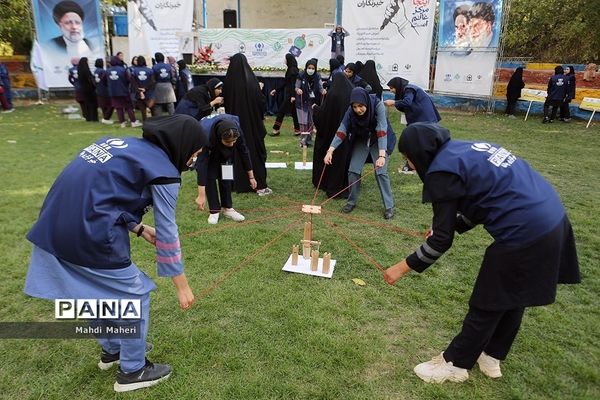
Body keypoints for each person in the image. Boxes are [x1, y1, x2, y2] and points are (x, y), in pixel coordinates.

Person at [384, 123, 580, 384]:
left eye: (409, 159)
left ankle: (455, 364)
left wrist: (400, 268)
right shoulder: (465, 149)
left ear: (418, 154)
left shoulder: (441, 171)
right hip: (553, 218)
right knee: (513, 293)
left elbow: (441, 241)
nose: (411, 165)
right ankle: (491, 354)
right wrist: (450, 225)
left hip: (525, 230)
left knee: (487, 300)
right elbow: (480, 203)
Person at [24, 114, 205, 392]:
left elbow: (103, 191)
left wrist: (139, 228)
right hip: (90, 234)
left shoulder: (116, 143)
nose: (193, 160)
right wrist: (182, 285)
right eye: (195, 153)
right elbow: (169, 231)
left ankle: (113, 349)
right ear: (183, 145)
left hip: (53, 224)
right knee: (135, 294)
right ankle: (133, 371)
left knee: (91, 291)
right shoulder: (165, 172)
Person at [324, 87, 396, 219]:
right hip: (362, 138)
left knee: (381, 172)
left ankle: (389, 206)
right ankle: (351, 202)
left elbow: (381, 130)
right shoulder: (350, 111)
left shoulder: (377, 105)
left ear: (366, 102)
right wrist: (330, 151)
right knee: (353, 170)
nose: (358, 109)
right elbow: (342, 130)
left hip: (380, 139)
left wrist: (381, 155)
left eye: (361, 106)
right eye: (355, 106)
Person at [195, 113, 257, 224]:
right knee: (210, 175)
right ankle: (214, 211)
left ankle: (228, 208)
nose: (232, 144)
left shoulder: (236, 128)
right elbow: (201, 164)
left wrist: (251, 176)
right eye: (228, 142)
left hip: (225, 153)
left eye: (234, 141)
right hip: (211, 146)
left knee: (227, 177)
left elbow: (244, 151)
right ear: (220, 137)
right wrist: (201, 195)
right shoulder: (206, 134)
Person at [223, 53, 271, 196]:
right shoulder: (252, 83)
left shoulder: (228, 83)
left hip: (234, 126)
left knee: (234, 151)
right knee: (253, 152)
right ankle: (257, 183)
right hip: (252, 126)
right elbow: (261, 103)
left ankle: (234, 183)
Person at [385, 77, 441, 174]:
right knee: (417, 141)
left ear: (397, 86)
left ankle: (418, 165)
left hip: (424, 120)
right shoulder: (405, 90)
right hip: (420, 119)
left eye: (392, 88)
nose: (391, 90)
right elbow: (404, 106)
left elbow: (407, 102)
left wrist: (393, 102)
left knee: (418, 141)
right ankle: (415, 165)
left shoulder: (409, 89)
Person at [312, 73, 353, 199]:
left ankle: (327, 183)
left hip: (331, 135)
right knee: (344, 161)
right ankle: (346, 186)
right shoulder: (352, 92)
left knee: (330, 159)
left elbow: (323, 116)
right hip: (346, 136)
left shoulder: (332, 94)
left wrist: (315, 109)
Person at [295, 59, 326, 147]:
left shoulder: (317, 76)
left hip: (312, 102)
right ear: (306, 67)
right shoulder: (301, 75)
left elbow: (320, 87)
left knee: (311, 122)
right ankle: (302, 141)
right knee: (303, 122)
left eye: (313, 68)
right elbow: (296, 87)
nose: (311, 70)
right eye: (309, 68)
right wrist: (298, 90)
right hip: (301, 102)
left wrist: (323, 91)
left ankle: (309, 140)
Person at [107, 55, 142, 128]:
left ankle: (122, 123)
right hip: (123, 91)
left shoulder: (108, 70)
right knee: (129, 106)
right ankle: (133, 122)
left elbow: (104, 80)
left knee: (118, 107)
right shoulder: (123, 69)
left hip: (113, 92)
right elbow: (129, 79)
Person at [269, 53, 300, 136]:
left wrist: (293, 96)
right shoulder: (291, 69)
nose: (284, 60)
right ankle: (297, 130)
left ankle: (276, 130)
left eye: (285, 58)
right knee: (294, 113)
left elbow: (294, 84)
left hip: (290, 95)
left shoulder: (292, 70)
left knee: (281, 111)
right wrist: (276, 90)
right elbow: (286, 83)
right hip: (290, 94)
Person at [131, 56, 156, 122]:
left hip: (138, 93)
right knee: (152, 108)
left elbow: (133, 83)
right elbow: (152, 82)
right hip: (149, 93)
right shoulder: (150, 70)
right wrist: (145, 89)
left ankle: (145, 122)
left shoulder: (134, 71)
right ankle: (155, 122)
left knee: (143, 110)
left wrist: (140, 91)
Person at [77, 57, 98, 122]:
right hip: (90, 89)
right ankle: (93, 117)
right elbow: (90, 79)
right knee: (93, 104)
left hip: (84, 89)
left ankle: (88, 117)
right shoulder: (86, 70)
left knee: (87, 104)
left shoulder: (80, 70)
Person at [94, 58, 114, 124]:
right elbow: (106, 81)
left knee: (103, 105)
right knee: (111, 104)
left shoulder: (95, 71)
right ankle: (106, 117)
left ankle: (105, 117)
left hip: (99, 89)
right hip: (105, 90)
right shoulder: (103, 71)